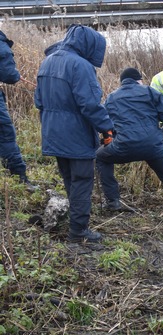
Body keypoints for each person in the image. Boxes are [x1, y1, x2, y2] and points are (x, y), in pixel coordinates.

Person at [35, 24, 114, 243]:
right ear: (88, 45)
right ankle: (79, 231)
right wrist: (106, 128)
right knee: (82, 179)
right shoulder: (80, 65)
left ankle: (77, 220)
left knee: (70, 177)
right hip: (76, 134)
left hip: (53, 131)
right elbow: (89, 104)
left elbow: (38, 101)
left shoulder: (48, 60)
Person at [96, 67, 163, 227]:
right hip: (154, 147)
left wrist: (109, 137)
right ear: (139, 80)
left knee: (100, 157)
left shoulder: (112, 97)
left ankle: (113, 201)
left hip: (123, 147)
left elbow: (104, 122)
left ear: (122, 83)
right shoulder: (150, 92)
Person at [0, 29, 37, 190]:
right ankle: (20, 177)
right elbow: (9, 75)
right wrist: (15, 75)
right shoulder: (1, 46)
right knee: (5, 135)